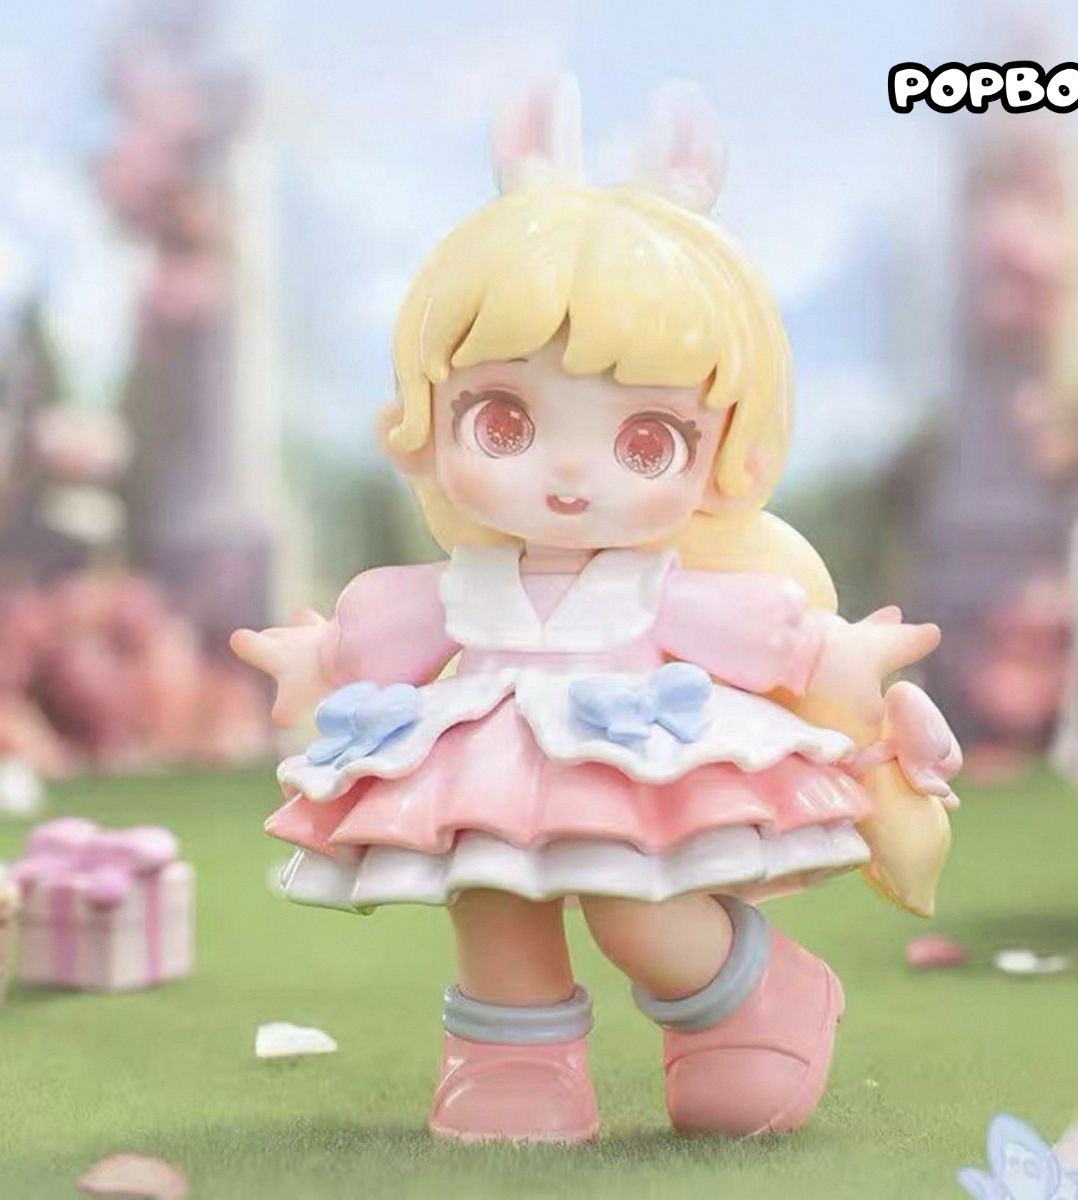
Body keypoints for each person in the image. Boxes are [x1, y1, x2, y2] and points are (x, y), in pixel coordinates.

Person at [233, 76, 961, 1143]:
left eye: (643, 442)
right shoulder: (472, 581)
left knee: (637, 905)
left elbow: (758, 631)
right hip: (487, 758)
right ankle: (511, 1063)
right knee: (493, 896)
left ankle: (752, 998)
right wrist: (328, 655)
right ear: (430, 418)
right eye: (505, 423)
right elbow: (395, 624)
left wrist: (826, 658)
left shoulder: (653, 586)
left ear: (720, 450)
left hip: (638, 756)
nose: (571, 475)